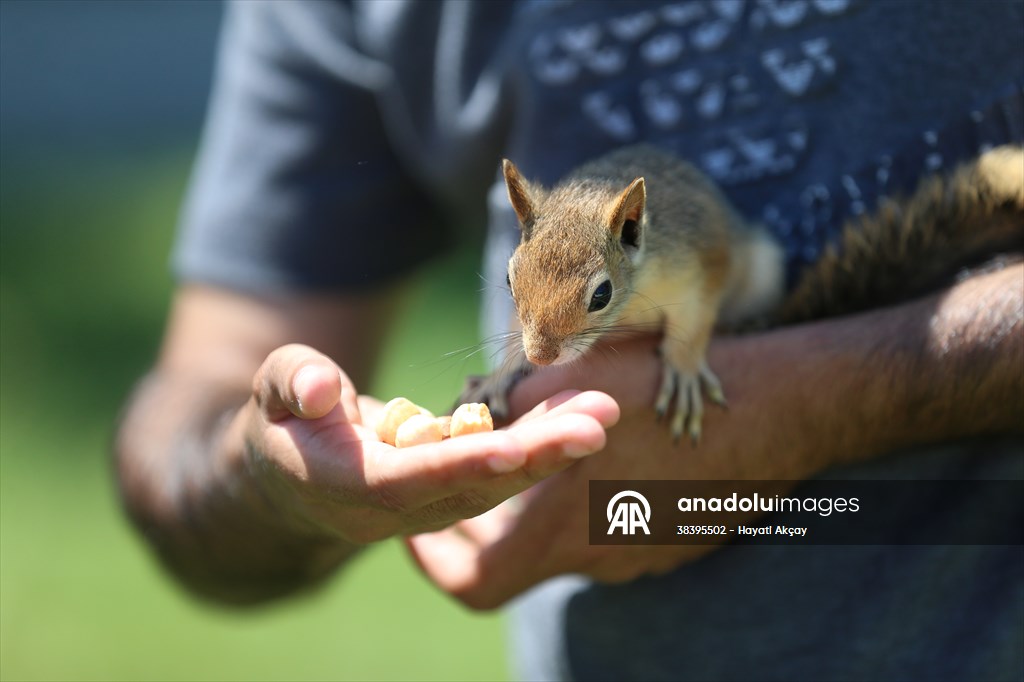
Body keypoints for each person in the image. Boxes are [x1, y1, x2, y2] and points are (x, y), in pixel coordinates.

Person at [116, 1, 1024, 680]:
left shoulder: (660, 257)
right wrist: (279, 479)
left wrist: (806, 399)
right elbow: (202, 397)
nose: (539, 342)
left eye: (587, 301)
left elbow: (711, 282)